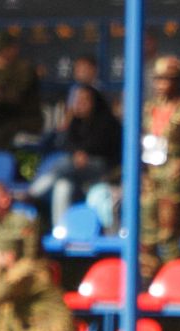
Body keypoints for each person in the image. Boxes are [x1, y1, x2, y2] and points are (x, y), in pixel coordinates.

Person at [30, 84, 121, 233]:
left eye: (85, 100)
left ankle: (33, 192)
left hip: (104, 170)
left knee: (65, 163)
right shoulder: (74, 122)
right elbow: (59, 145)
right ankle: (61, 231)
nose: (80, 103)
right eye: (77, 100)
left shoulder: (106, 120)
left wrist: (83, 153)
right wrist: (66, 128)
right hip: (76, 171)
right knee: (63, 185)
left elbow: (103, 146)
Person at [142, 56, 180, 266]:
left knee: (169, 233)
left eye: (166, 79)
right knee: (147, 233)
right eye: (157, 79)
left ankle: (173, 277)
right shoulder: (150, 107)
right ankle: (147, 280)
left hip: (173, 177)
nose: (161, 85)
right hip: (151, 175)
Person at [0, 35, 44, 154]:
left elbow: (16, 97)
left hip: (25, 118)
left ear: (14, 49)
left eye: (4, 50)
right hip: (2, 117)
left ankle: (3, 167)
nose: (0, 55)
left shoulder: (23, 68)